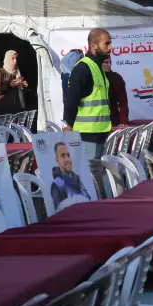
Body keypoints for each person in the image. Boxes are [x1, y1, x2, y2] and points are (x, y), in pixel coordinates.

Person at [63, 29, 112, 161]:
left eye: (110, 43)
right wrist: (69, 125)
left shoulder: (98, 67)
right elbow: (71, 101)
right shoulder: (83, 68)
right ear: (93, 46)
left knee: (97, 176)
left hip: (101, 133)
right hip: (86, 135)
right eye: (106, 44)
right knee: (90, 176)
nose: (110, 48)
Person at [49, 141, 91, 209]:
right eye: (63, 156)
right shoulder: (58, 183)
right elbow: (59, 212)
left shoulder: (77, 179)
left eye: (68, 155)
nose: (67, 159)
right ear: (57, 160)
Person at [0, 50, 28, 116]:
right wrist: (10, 85)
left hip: (16, 110)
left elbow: (19, 93)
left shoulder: (17, 73)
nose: (15, 61)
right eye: (13, 58)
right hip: (3, 111)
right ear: (7, 59)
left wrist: (23, 85)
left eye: (16, 58)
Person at [102, 56, 130, 127]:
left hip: (113, 121)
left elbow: (123, 103)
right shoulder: (92, 78)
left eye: (110, 62)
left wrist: (123, 121)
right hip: (95, 122)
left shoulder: (116, 79)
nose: (109, 65)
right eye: (106, 62)